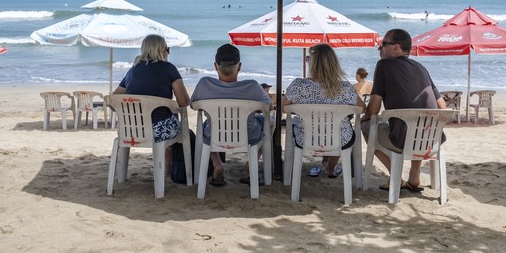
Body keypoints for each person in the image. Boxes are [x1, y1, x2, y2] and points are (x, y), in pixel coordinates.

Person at [361, 29, 446, 191]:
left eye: (383, 44)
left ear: (397, 47)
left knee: (365, 126)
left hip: (401, 140)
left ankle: (395, 176)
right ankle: (414, 175)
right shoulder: (421, 68)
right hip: (432, 139)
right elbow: (442, 107)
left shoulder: (383, 65)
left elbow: (373, 109)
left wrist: (364, 118)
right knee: (417, 125)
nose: (380, 48)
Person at [190, 44, 272, 187]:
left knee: (204, 128)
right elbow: (268, 107)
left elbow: (193, 105)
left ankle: (217, 164)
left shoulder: (204, 84)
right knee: (271, 122)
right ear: (239, 67)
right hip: (248, 136)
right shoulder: (252, 86)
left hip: (214, 134)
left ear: (216, 66)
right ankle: (251, 164)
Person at [282, 43, 365, 178]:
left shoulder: (298, 85)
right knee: (339, 132)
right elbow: (362, 109)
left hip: (305, 138)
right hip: (340, 140)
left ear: (312, 63)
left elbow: (284, 108)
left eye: (308, 59)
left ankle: (326, 164)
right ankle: (331, 169)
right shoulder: (345, 88)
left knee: (327, 131)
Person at [113, 34, 190, 171]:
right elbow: (183, 102)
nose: (168, 53)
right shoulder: (169, 68)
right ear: (161, 49)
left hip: (131, 130)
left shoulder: (132, 71)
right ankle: (166, 169)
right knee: (172, 119)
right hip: (159, 131)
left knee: (169, 117)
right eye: (168, 49)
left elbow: (114, 99)